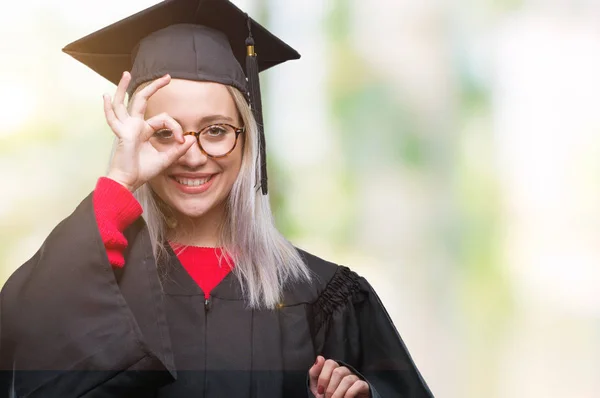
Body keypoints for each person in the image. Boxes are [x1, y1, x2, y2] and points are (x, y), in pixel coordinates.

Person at [0, 0, 434, 397]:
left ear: (248, 141)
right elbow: (25, 339)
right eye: (164, 132)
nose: (193, 155)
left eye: (216, 130)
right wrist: (120, 179)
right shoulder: (100, 291)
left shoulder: (321, 298)